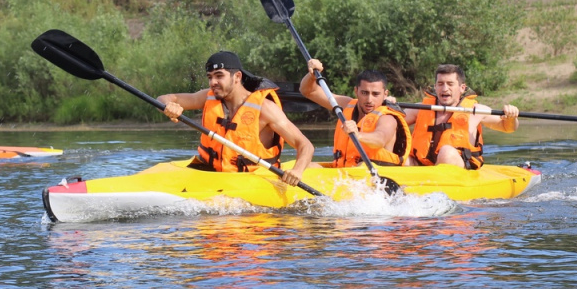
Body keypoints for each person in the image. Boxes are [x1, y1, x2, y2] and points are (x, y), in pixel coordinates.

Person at [157, 51, 315, 186]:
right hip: (211, 175)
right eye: (210, 77)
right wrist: (168, 106)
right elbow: (165, 98)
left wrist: (297, 170)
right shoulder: (208, 97)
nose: (213, 82)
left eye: (219, 76)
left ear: (237, 76)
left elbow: (305, 145)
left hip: (253, 181)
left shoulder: (265, 109)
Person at [403, 63, 519, 168]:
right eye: (440, 84)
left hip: (459, 168)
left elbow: (507, 127)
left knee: (446, 152)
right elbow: (394, 120)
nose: (444, 88)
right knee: (399, 156)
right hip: (423, 165)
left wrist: (511, 117)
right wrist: (388, 106)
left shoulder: (476, 110)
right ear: (435, 87)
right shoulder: (421, 108)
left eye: (450, 84)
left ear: (462, 88)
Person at [300, 59, 412, 167]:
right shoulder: (346, 104)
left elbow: (380, 139)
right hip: (345, 172)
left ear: (385, 94)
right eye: (364, 93)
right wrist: (312, 76)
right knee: (302, 165)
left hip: (376, 178)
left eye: (375, 94)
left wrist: (357, 134)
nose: (369, 99)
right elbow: (309, 91)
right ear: (356, 91)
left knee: (361, 165)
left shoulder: (387, 118)